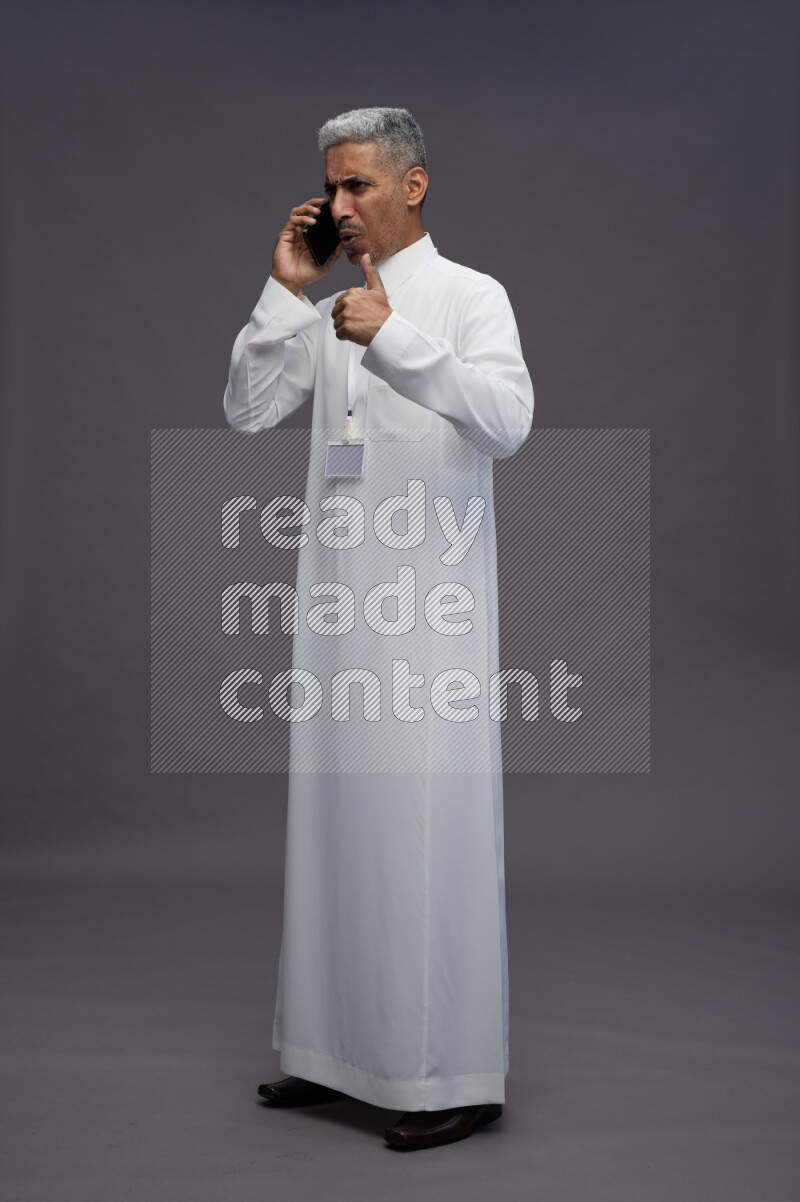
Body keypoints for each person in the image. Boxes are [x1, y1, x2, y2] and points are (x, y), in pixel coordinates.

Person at [223, 107, 534, 1150]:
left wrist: (392, 338)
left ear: (413, 184)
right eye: (330, 186)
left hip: (428, 621)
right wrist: (285, 292)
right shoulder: (325, 312)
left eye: (356, 183)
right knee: (332, 826)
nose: (339, 204)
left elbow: (507, 422)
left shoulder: (469, 296)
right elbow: (246, 408)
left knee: (422, 833)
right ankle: (330, 1052)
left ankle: (450, 1072)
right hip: (336, 613)